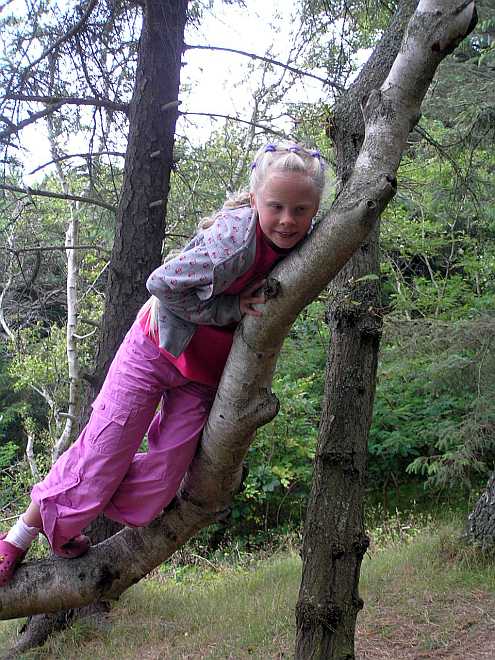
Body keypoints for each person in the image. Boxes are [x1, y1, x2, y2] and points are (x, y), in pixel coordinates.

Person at [0, 141, 325, 586]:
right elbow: (162, 283)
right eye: (276, 207)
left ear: (315, 210)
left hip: (202, 377)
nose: (288, 220)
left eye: (300, 210)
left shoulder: (309, 241)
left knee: (159, 486)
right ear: (255, 202)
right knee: (102, 451)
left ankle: (74, 507)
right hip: (155, 347)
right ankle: (18, 537)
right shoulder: (233, 240)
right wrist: (229, 309)